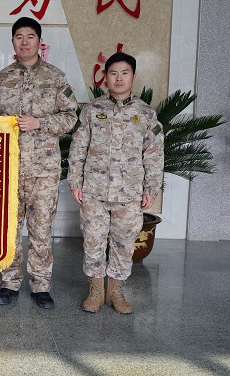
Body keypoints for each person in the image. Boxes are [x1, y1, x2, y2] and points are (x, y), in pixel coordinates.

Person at [0, 17, 78, 309]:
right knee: (8, 229)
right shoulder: (1, 79)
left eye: (30, 36)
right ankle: (9, 283)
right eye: (19, 37)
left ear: (40, 42)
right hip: (7, 168)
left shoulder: (56, 77)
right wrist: (0, 122)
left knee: (41, 229)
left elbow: (71, 118)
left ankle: (41, 285)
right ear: (12, 42)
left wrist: (40, 123)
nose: (24, 42)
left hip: (43, 170)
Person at [68, 51, 164, 314]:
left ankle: (116, 291)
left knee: (124, 243)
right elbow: (78, 148)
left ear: (133, 76)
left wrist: (151, 188)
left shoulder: (146, 114)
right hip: (94, 190)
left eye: (124, 73)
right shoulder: (92, 111)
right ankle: (96, 290)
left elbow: (154, 153)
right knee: (93, 240)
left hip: (129, 193)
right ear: (105, 77)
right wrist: (75, 181)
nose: (119, 78)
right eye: (113, 73)